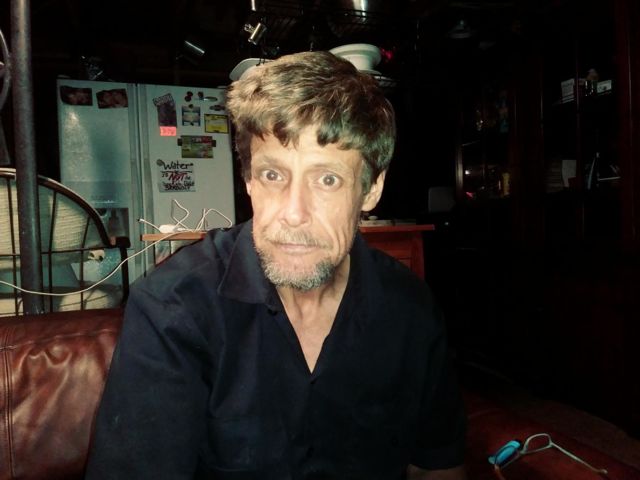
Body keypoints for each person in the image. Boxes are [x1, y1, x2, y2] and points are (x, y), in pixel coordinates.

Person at [86, 51, 467, 480]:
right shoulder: (173, 308)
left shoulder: (410, 309)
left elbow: (437, 466)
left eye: (327, 179)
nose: (293, 213)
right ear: (249, 179)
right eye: (272, 175)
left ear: (372, 188)